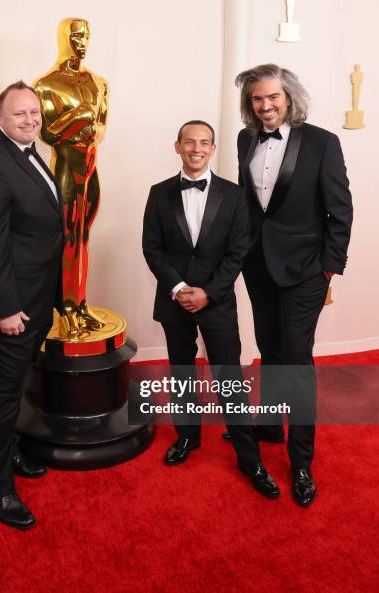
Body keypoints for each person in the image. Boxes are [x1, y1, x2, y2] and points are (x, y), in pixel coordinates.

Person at [234, 64, 353, 506]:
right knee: (270, 348)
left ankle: (301, 460)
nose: (264, 107)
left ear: (290, 97)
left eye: (272, 98)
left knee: (297, 358)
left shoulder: (323, 142)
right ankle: (269, 425)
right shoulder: (246, 138)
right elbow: (250, 202)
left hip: (305, 268)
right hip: (258, 264)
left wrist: (328, 270)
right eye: (256, 100)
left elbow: (340, 210)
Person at [142, 120, 279, 499]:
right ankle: (188, 437)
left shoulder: (234, 196)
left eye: (204, 143)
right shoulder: (158, 193)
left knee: (228, 378)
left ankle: (248, 458)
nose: (196, 148)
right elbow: (151, 248)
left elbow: (238, 252)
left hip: (216, 300)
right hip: (174, 299)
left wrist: (208, 293)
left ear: (213, 148)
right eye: (189, 142)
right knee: (181, 371)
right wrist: (179, 288)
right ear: (177, 146)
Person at [0, 81, 64, 530]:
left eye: (34, 113)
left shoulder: (24, 151)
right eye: (19, 114)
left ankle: (10, 453)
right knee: (2, 397)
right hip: (8, 310)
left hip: (32, 299)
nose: (29, 120)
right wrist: (4, 309)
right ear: (0, 116)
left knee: (14, 388)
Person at [34, 17, 108, 337]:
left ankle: (80, 304)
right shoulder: (46, 84)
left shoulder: (98, 82)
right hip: (65, 166)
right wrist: (77, 118)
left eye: (87, 35)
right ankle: (64, 307)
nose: (83, 41)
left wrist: (89, 126)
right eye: (76, 35)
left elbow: (101, 125)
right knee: (67, 238)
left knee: (84, 236)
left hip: (91, 167)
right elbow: (48, 134)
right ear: (64, 37)